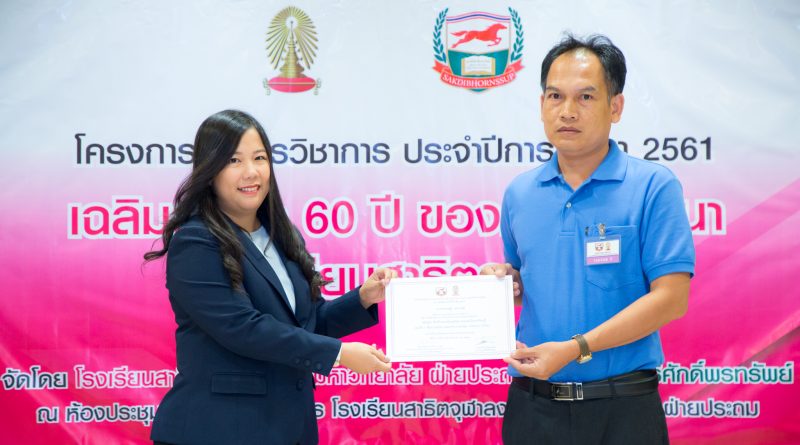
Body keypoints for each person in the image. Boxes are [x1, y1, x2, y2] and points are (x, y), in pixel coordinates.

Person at [483, 34, 695, 444]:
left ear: (615, 107)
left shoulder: (653, 186)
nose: (567, 111)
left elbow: (672, 299)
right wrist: (506, 283)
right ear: (541, 105)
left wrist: (577, 347)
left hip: (623, 410)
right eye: (555, 96)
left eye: (585, 97)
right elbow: (527, 284)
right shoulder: (520, 193)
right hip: (533, 409)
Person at [144, 109, 395, 445]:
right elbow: (242, 328)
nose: (251, 172)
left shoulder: (282, 235)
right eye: (234, 160)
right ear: (210, 170)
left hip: (287, 429)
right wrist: (339, 354)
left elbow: (304, 324)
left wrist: (363, 298)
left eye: (259, 158)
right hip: (219, 430)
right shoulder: (196, 240)